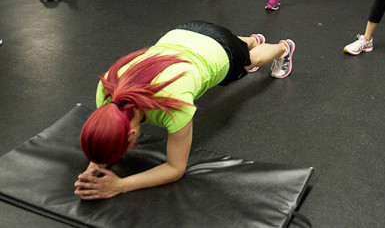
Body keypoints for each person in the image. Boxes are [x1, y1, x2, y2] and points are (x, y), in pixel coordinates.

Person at [74, 21, 295, 199]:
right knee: (235, 43)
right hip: (184, 32)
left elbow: (175, 168)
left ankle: (283, 48)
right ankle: (251, 40)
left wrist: (120, 185)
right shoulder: (106, 89)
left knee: (251, 61)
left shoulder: (171, 104)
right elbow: (106, 131)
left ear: (132, 136)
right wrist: (94, 164)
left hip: (219, 50)